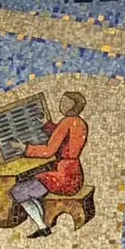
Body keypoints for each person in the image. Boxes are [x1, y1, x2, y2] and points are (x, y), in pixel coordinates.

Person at [12, 91, 88, 238]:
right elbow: (64, 137)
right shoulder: (79, 122)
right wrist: (47, 125)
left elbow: (48, 151)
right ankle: (43, 224)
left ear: (71, 105)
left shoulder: (67, 121)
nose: (61, 104)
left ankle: (42, 227)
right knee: (32, 185)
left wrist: (25, 148)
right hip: (75, 175)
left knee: (18, 190)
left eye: (64, 102)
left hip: (63, 177)